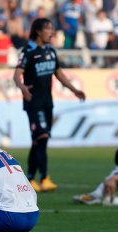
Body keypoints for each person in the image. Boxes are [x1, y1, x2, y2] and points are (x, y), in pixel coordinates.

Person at [13, 18, 86, 192]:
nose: (51, 32)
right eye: (48, 29)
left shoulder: (51, 52)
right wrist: (22, 87)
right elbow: (16, 74)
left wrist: (74, 90)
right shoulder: (28, 51)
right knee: (42, 137)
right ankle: (44, 177)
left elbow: (59, 74)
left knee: (39, 140)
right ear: (38, 31)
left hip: (47, 102)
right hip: (33, 102)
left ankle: (30, 178)